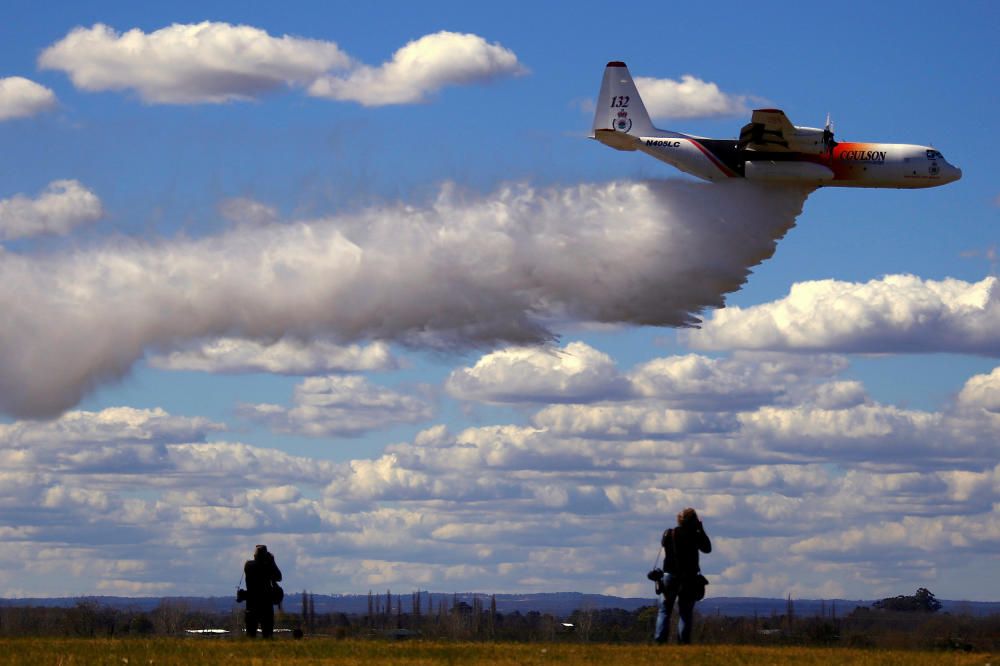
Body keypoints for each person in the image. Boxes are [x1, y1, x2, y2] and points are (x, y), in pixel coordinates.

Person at [654, 507, 711, 644]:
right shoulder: (695, 535)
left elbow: (663, 543)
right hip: (689, 578)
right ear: (694, 521)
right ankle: (683, 644)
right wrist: (700, 529)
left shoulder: (669, 533)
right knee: (685, 613)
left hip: (669, 576)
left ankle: (660, 642)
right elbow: (707, 549)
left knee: (665, 611)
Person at [244, 544, 282, 638]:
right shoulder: (268, 567)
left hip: (252, 603)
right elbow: (279, 577)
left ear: (255, 556)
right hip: (266, 604)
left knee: (251, 635)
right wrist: (272, 562)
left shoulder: (248, 565)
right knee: (268, 634)